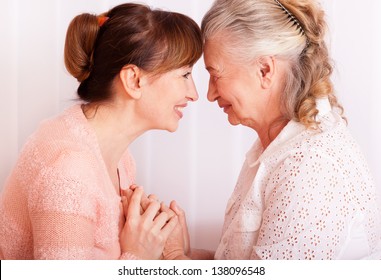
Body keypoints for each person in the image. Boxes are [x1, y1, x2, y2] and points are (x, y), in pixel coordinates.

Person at [166, 0, 381, 260]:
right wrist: (186, 256)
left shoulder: (310, 168)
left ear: (264, 70)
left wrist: (173, 259)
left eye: (215, 74)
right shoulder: (278, 147)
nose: (209, 94)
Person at [0, 3, 202, 260]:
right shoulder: (68, 169)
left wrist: (170, 253)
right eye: (184, 74)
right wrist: (139, 257)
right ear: (134, 80)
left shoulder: (120, 158)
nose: (193, 94)